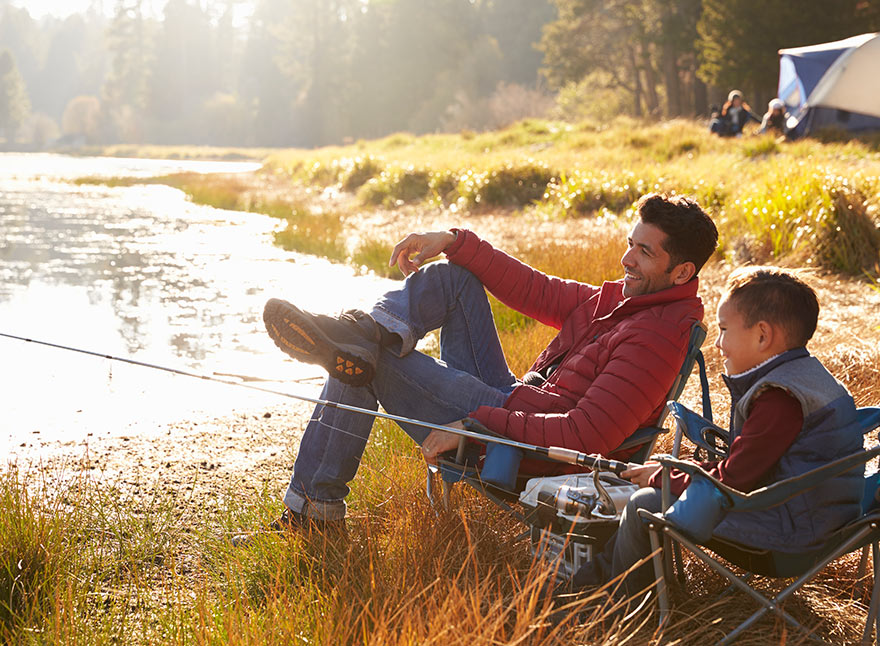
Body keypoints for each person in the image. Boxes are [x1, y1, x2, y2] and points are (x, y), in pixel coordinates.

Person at [242, 193, 718, 537]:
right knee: (451, 279)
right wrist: (452, 239)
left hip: (525, 448)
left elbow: (585, 438)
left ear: (682, 272)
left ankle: (313, 514)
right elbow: (533, 288)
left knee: (367, 362)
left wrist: (476, 423)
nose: (626, 259)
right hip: (519, 400)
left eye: (644, 252)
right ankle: (361, 332)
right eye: (630, 243)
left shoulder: (655, 336)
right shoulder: (622, 299)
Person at [570, 267, 864, 599]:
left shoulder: (778, 398)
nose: (719, 343)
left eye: (724, 330)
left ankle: (607, 604)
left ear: (762, 335)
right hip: (820, 520)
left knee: (645, 504)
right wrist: (675, 472)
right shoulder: (808, 376)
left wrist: (664, 478)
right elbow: (750, 467)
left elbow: (733, 481)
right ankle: (592, 587)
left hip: (790, 538)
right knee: (659, 492)